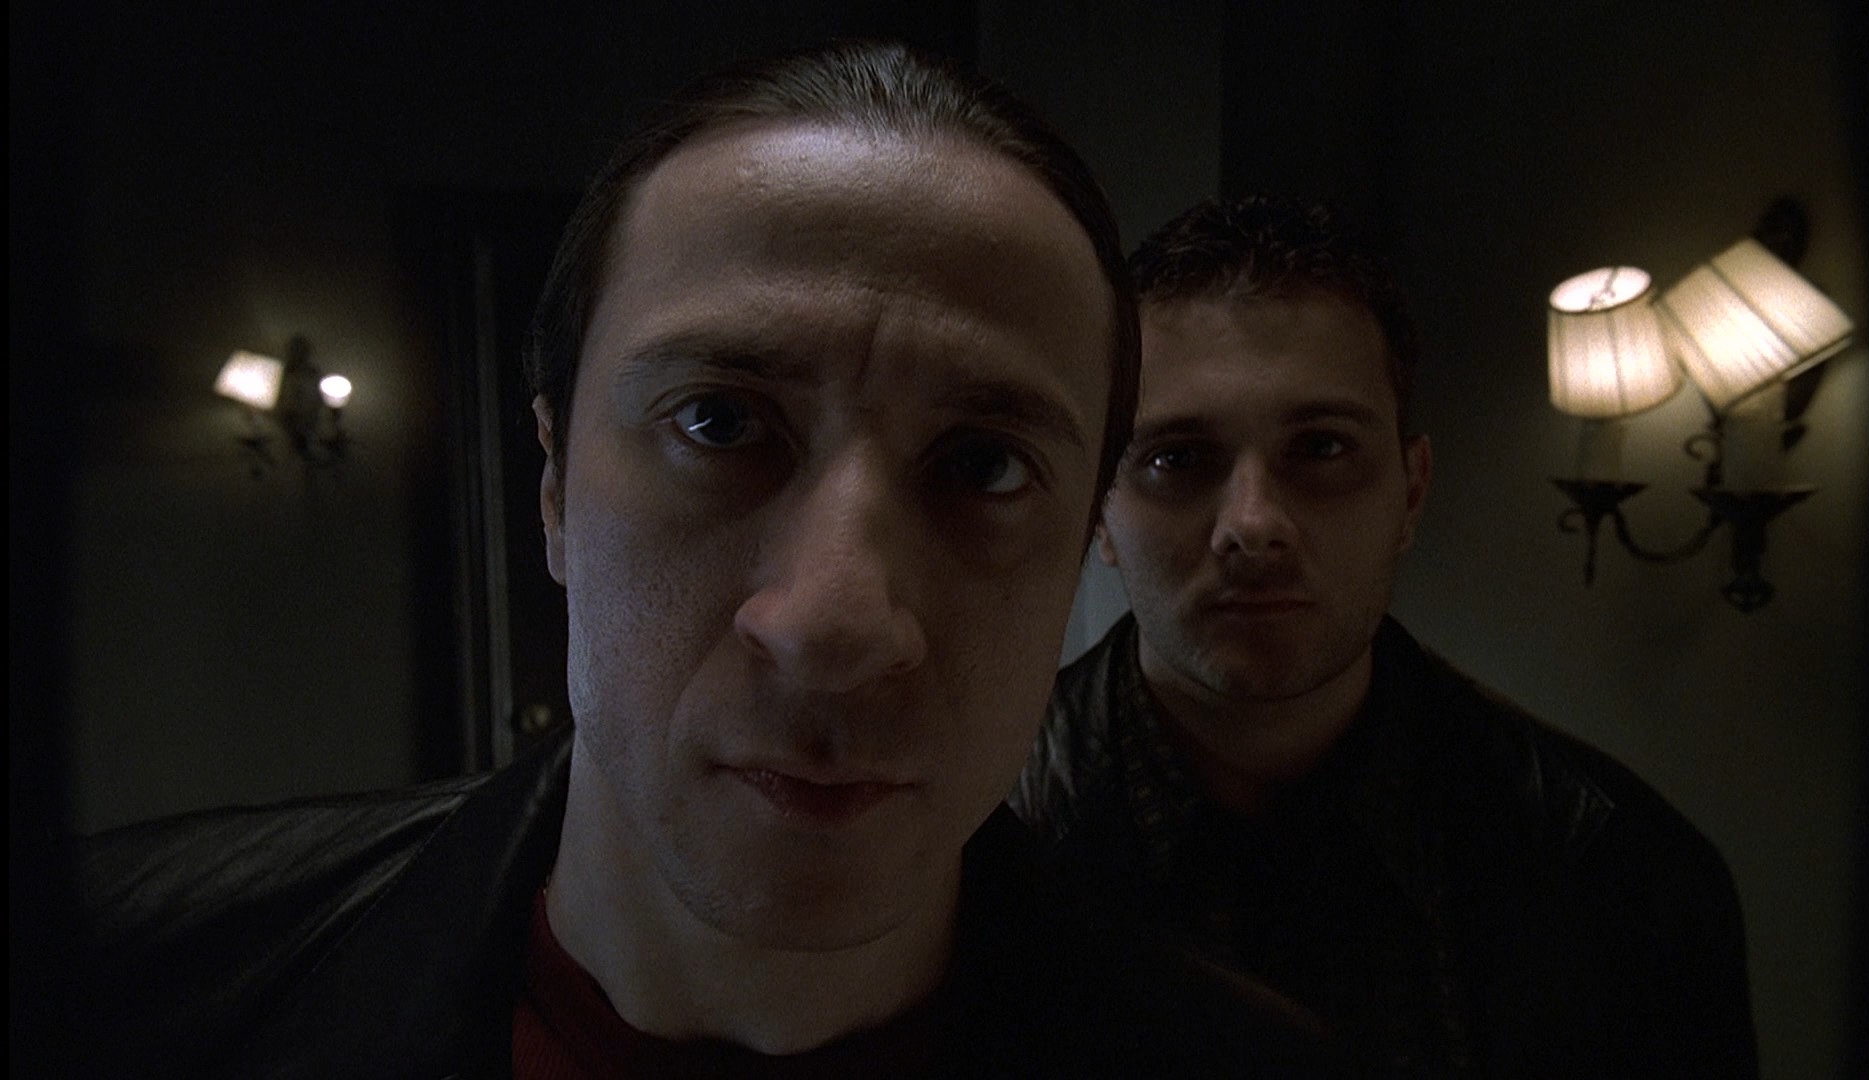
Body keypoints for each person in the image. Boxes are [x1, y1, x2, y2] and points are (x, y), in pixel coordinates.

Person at [70, 44, 1341, 1079]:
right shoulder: (112, 987)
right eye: (721, 424)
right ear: (554, 485)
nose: (834, 622)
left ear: (1084, 545)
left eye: (982, 466)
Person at [1014, 194, 1760, 1078]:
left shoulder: (1624, 876)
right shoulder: (962, 846)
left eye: (1322, 449)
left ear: (1411, 493)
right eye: (1177, 458)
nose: (1252, 525)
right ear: (1101, 509)